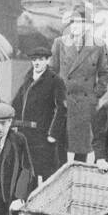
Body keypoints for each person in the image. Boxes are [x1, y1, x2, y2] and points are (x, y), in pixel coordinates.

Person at [50, 9, 108, 160]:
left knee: (82, 147)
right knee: (61, 145)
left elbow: (106, 73)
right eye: (72, 22)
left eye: (80, 22)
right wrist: (57, 96)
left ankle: (80, 175)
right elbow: (52, 71)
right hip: (65, 102)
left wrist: (95, 95)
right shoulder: (60, 43)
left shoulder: (98, 45)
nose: (75, 26)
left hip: (86, 103)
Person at [12, 44, 67, 184]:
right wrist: (12, 122)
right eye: (34, 59)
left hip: (44, 136)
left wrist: (53, 134)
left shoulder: (55, 80)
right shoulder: (28, 79)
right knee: (28, 171)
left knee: (49, 174)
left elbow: (62, 109)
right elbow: (17, 103)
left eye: (41, 59)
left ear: (47, 61)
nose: (36, 62)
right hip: (26, 134)